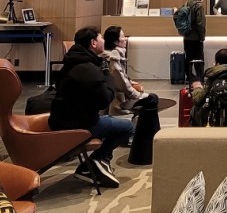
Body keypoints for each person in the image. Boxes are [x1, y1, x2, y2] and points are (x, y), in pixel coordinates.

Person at [50, 26, 131, 188]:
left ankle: (95, 164)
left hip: (65, 118)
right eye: (101, 38)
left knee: (110, 119)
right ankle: (98, 160)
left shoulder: (74, 62)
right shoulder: (87, 69)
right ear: (93, 43)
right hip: (80, 124)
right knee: (128, 127)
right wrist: (107, 74)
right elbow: (105, 99)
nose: (103, 41)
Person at [101, 26, 157, 115]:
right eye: (123, 36)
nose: (126, 39)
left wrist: (130, 82)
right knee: (153, 98)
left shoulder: (112, 56)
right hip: (118, 102)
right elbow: (122, 84)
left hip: (118, 97)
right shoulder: (113, 59)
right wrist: (137, 95)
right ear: (116, 42)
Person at [183, 0, 208, 82]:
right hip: (196, 37)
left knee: (188, 58)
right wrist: (202, 37)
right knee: (199, 59)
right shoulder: (199, 6)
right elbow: (200, 23)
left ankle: (189, 77)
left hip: (187, 37)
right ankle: (200, 78)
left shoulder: (186, 4)